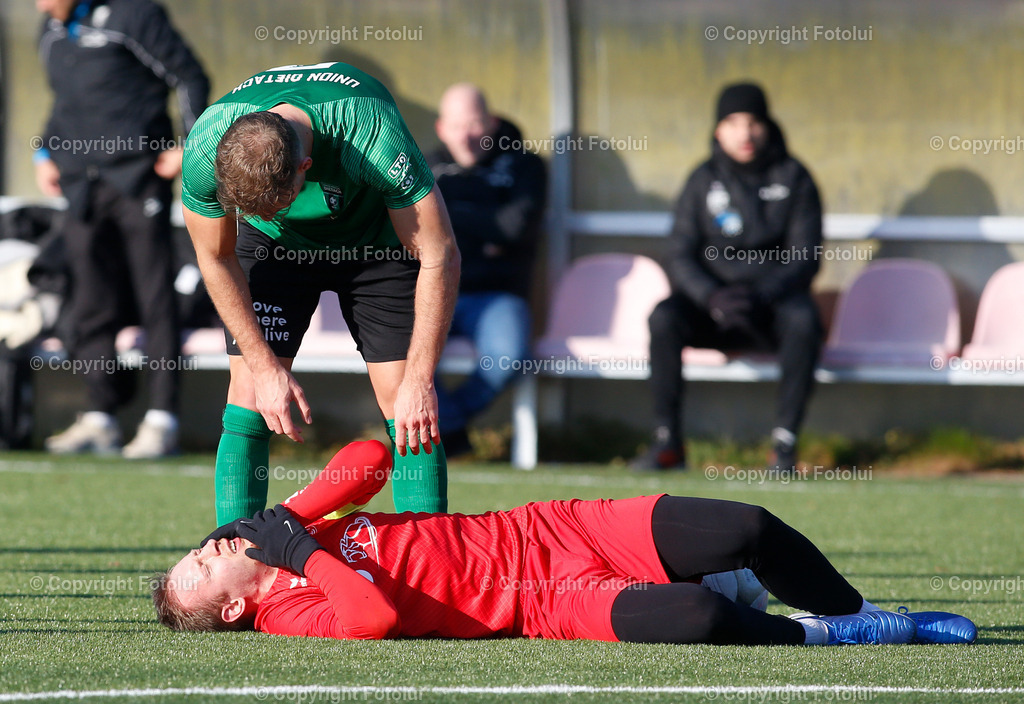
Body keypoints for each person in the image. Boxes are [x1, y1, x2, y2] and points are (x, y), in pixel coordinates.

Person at [152, 441, 977, 646]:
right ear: (229, 608)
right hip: (542, 602)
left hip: (547, 530)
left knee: (746, 527)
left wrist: (296, 515)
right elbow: (369, 620)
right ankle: (842, 632)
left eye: (196, 550)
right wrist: (299, 553)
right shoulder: (287, 609)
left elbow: (369, 460)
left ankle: (866, 606)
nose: (206, 549)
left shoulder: (293, 527)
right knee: (693, 617)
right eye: (199, 569)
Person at [180, 62, 460, 524]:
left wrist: (421, 377)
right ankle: (236, 561)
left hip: (375, 243)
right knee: (249, 392)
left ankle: (431, 569)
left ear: (305, 169)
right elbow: (216, 257)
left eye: (280, 202)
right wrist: (264, 365)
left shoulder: (370, 132)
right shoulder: (206, 146)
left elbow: (439, 253)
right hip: (274, 248)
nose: (276, 211)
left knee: (408, 407)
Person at [35, 0, 210, 458]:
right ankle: (101, 415)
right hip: (80, 185)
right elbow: (67, 102)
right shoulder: (49, 31)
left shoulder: (134, 16)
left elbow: (189, 75)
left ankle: (162, 419)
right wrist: (44, 153)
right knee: (91, 300)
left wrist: (190, 145)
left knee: (156, 297)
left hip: (137, 178)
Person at [634, 82, 824, 472]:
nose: (745, 132)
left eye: (753, 121)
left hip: (769, 310)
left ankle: (784, 445)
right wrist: (711, 297)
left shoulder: (794, 177)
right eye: (733, 122)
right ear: (718, 130)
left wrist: (762, 295)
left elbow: (805, 257)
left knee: (804, 320)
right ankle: (667, 442)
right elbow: (680, 253)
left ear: (767, 126)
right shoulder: (702, 180)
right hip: (713, 311)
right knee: (664, 317)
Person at [428, 84, 547, 457]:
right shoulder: (423, 166)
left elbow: (513, 227)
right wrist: (487, 227)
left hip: (497, 296)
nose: (467, 135)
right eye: (457, 124)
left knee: (507, 359)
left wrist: (448, 213)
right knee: (402, 350)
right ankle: (451, 430)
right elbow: (406, 228)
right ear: (441, 128)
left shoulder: (525, 165)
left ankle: (448, 424)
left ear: (492, 123)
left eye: (475, 123)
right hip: (434, 289)